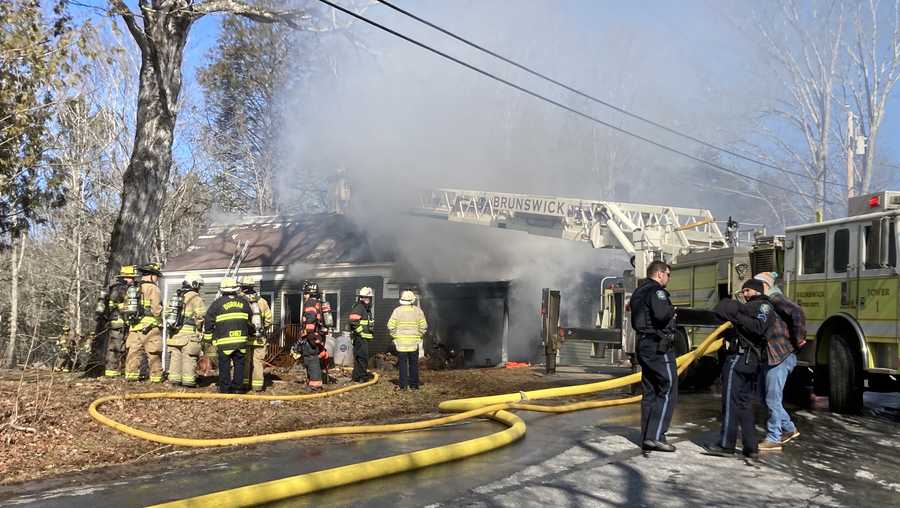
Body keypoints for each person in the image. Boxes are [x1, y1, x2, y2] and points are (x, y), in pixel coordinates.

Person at [704, 279, 774, 459]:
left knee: (730, 402)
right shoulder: (753, 308)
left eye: (747, 291)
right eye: (743, 291)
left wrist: (736, 316)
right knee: (743, 404)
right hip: (749, 360)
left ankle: (726, 444)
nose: (744, 294)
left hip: (740, 359)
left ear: (757, 291)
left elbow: (758, 328)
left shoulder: (763, 307)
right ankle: (750, 446)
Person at [630, 260, 678, 453]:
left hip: (643, 344)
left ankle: (647, 436)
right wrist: (672, 311)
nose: (668, 278)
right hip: (658, 346)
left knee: (650, 391)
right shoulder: (657, 292)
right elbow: (660, 315)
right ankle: (656, 436)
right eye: (668, 274)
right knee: (668, 388)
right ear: (659, 274)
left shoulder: (639, 291)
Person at [754, 272, 806, 451]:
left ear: (765, 286)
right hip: (770, 356)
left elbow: (797, 311)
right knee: (764, 397)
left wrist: (799, 337)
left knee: (772, 399)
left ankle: (773, 437)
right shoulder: (765, 303)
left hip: (781, 355)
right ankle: (789, 429)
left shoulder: (775, 298)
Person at [203, 277, 253, 393]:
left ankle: (225, 388)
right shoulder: (244, 303)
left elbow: (208, 320)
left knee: (224, 365)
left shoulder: (217, 304)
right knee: (239, 365)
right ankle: (238, 388)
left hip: (224, 342)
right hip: (241, 340)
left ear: (222, 289)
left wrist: (208, 337)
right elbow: (250, 320)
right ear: (236, 289)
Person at [124, 263, 163, 382]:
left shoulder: (133, 288)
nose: (157, 278)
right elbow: (156, 310)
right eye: (156, 275)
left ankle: (131, 377)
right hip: (150, 328)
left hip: (134, 327)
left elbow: (126, 307)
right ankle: (156, 379)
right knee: (153, 353)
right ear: (151, 276)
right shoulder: (153, 288)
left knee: (133, 352)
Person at [165, 272, 206, 388]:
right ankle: (188, 382)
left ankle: (174, 380)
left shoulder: (175, 296)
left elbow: (166, 314)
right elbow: (200, 317)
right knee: (189, 357)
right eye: (199, 285)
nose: (199, 288)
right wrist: (199, 329)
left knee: (175, 357)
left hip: (174, 335)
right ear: (194, 284)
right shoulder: (196, 298)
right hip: (188, 336)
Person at [292, 281, 329, 390]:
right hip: (318, 335)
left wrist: (309, 336)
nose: (304, 296)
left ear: (309, 293)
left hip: (311, 336)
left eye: (305, 293)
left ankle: (315, 385)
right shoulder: (318, 302)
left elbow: (310, 321)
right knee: (311, 358)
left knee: (311, 359)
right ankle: (311, 382)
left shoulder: (310, 303)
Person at [387, 290, 427, 390]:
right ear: (412, 300)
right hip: (414, 344)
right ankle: (414, 385)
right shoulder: (418, 311)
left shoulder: (397, 311)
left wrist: (395, 336)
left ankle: (403, 385)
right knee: (414, 364)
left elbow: (390, 326)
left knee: (402, 365)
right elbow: (424, 326)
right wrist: (419, 336)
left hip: (401, 344)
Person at [239, 276, 273, 392]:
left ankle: (244, 384)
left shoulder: (239, 301)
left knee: (245, 361)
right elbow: (269, 320)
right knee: (257, 362)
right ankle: (257, 386)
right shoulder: (262, 301)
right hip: (259, 338)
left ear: (242, 287)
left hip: (245, 338)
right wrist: (263, 329)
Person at [101, 265, 135, 378]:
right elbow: (119, 305)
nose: (133, 280)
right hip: (118, 321)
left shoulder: (115, 287)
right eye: (132, 278)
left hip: (118, 322)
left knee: (120, 347)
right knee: (115, 348)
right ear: (126, 277)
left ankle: (118, 370)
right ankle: (112, 371)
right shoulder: (120, 288)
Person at [349, 286, 374, 382]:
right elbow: (353, 321)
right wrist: (361, 333)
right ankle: (362, 377)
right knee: (362, 358)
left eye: (368, 298)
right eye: (365, 297)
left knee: (360, 358)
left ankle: (357, 376)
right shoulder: (359, 307)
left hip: (362, 338)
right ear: (361, 298)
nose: (367, 299)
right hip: (360, 338)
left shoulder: (365, 309)